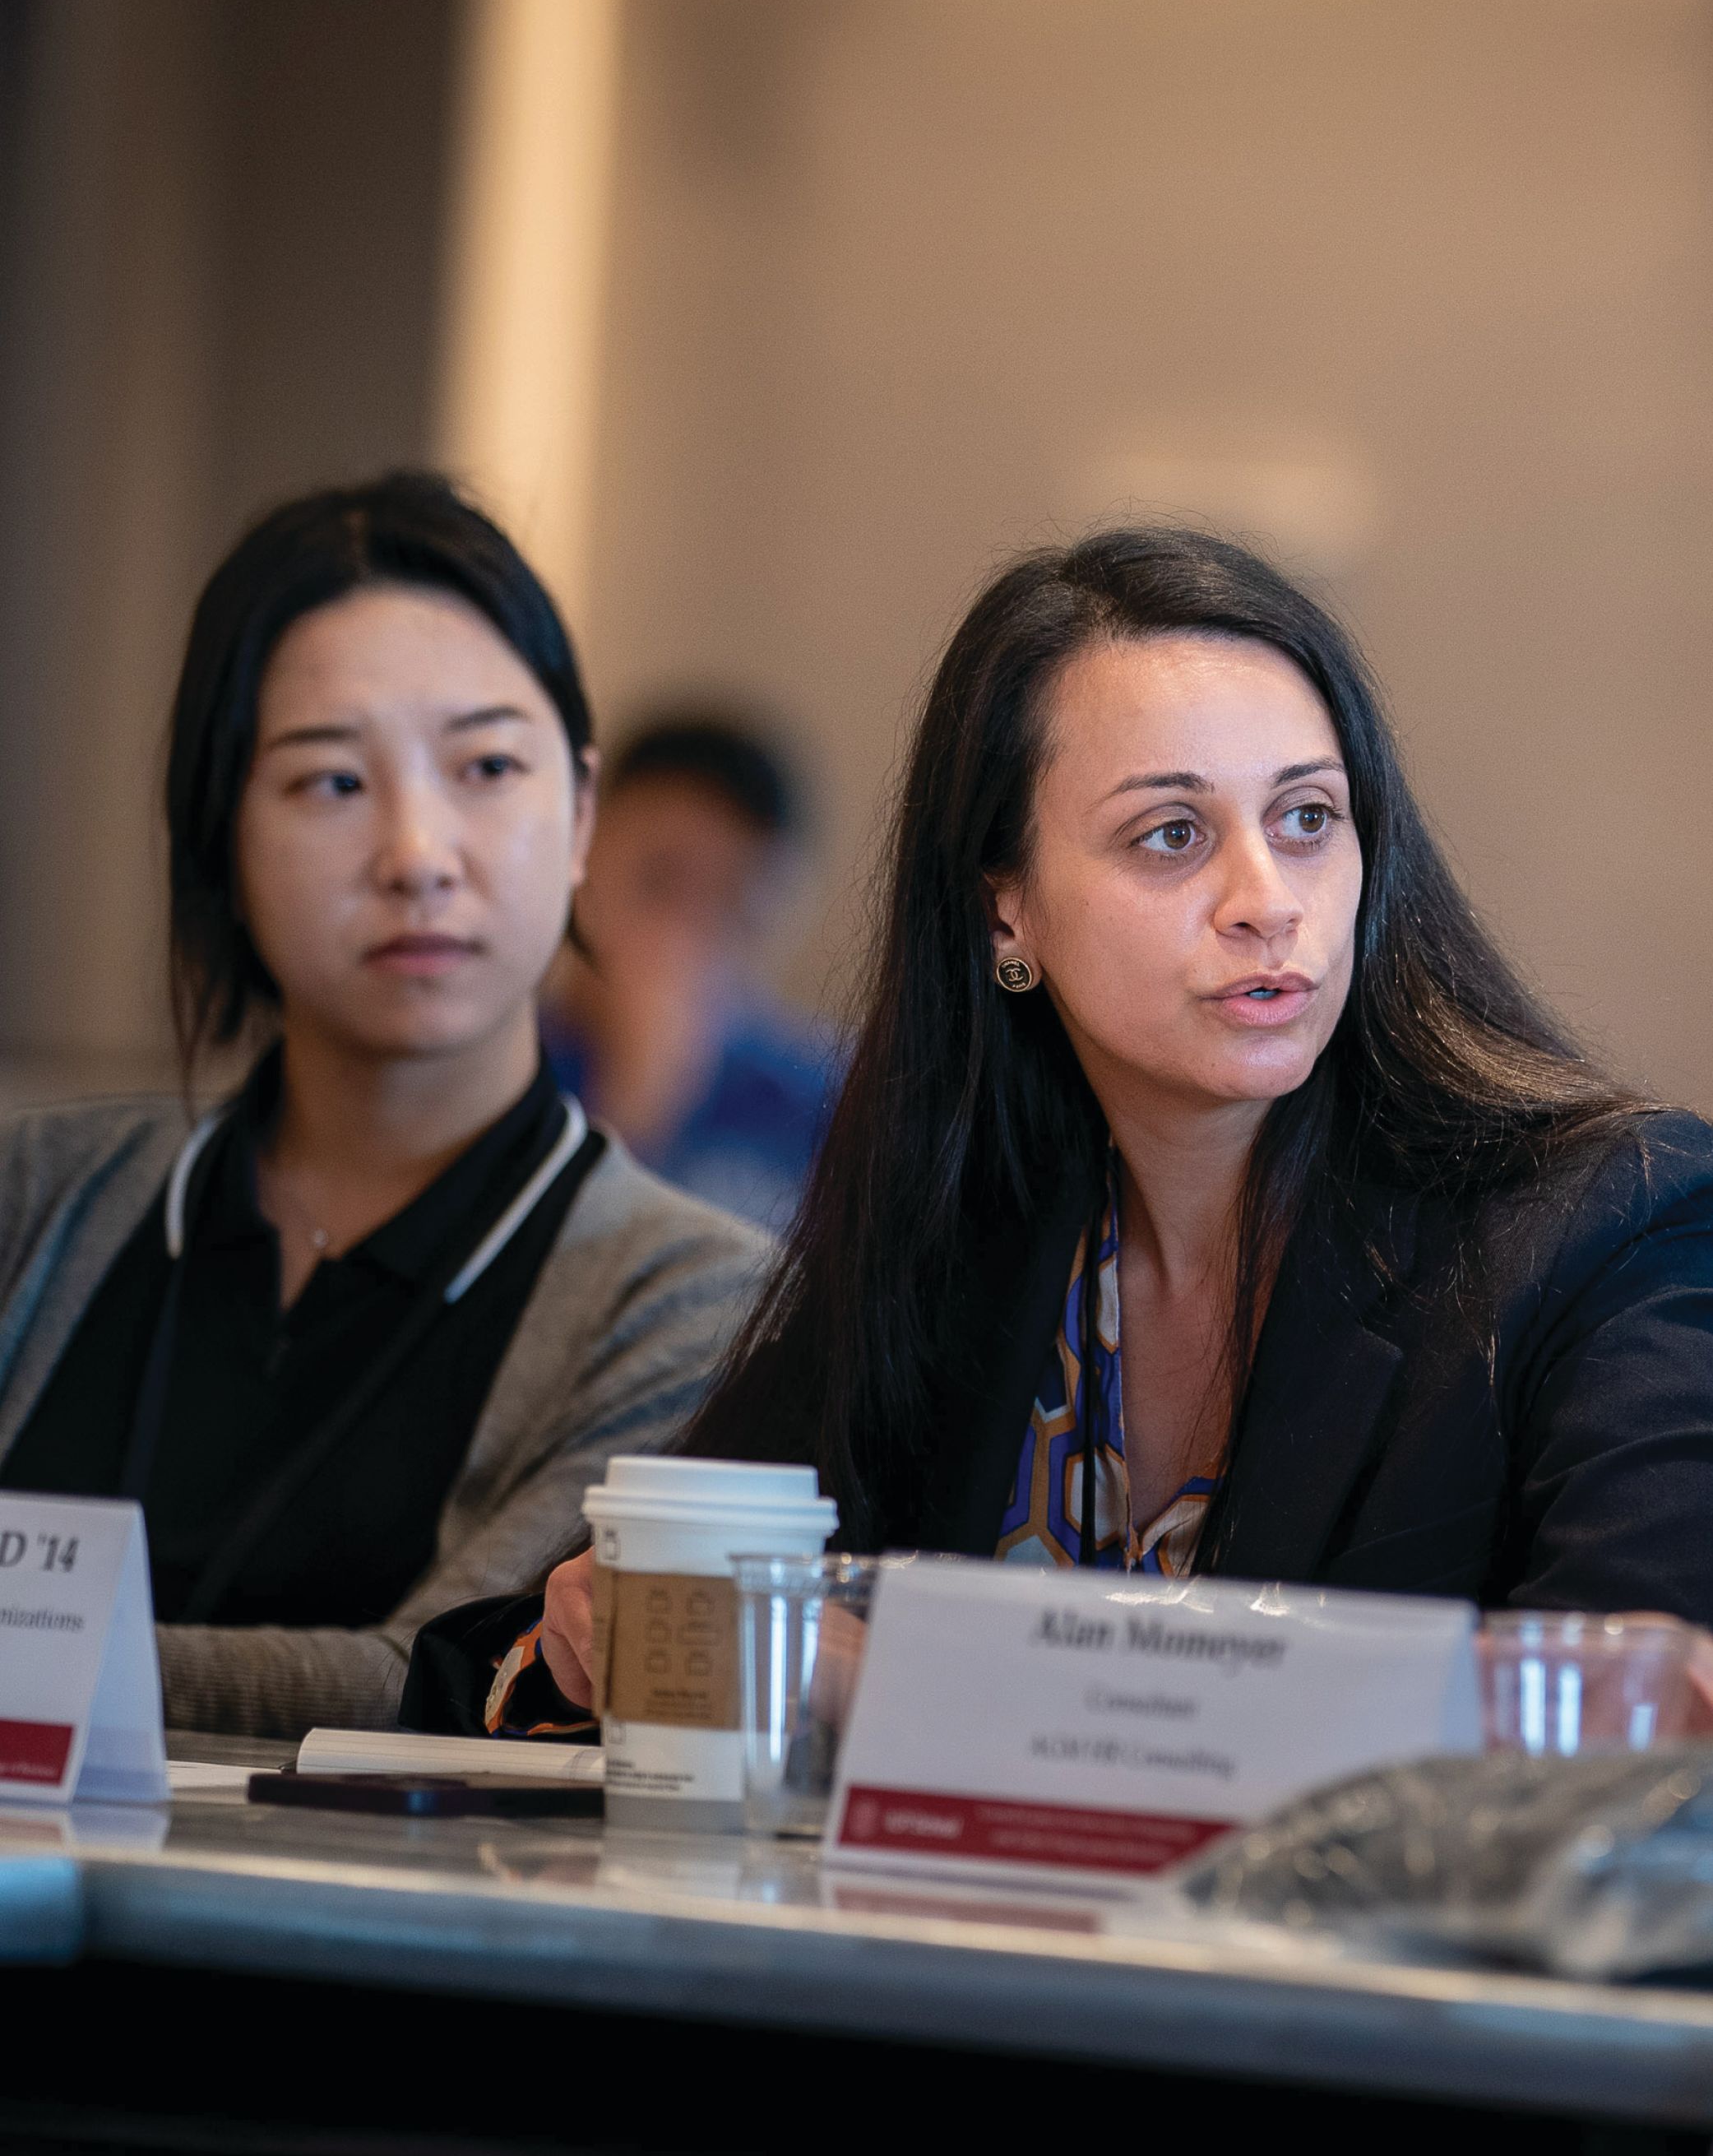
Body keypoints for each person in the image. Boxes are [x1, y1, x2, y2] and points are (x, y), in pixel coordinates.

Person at [405, 524, 1713, 1738]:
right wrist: (586, 1634)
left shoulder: (1604, 1228)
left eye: (1307, 818)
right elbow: (538, 1649)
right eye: (1170, 833)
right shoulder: (959, 1243)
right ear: (1004, 915)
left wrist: (877, 1685)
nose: (1267, 901)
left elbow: (1648, 1731)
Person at [0, 473, 769, 1738]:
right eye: (331, 783)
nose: (419, 852)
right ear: (219, 840)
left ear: (579, 812)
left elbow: (446, 1676)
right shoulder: (40, 1195)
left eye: (485, 766)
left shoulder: (696, 1298)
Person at [540, 717, 838, 1232]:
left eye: (734, 905)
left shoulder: (836, 1100)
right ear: (579, 849)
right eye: (659, 881)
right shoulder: (491, 1072)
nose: (687, 933)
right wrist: (633, 1106)